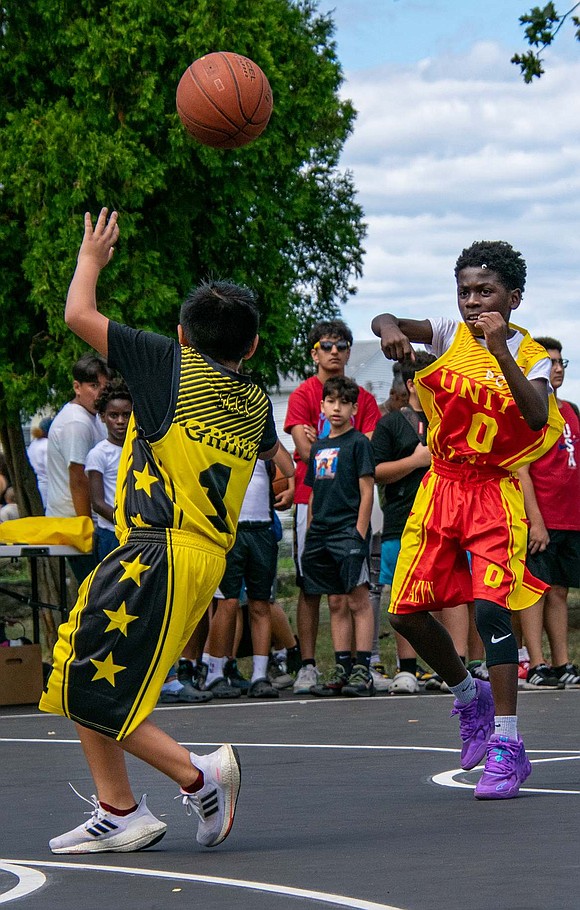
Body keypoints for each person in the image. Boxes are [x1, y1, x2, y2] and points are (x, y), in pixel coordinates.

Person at [39, 208, 278, 853]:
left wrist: (91, 259)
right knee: (72, 669)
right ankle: (118, 809)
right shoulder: (255, 402)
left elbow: (77, 317)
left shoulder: (166, 364)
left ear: (179, 333)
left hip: (159, 551)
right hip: (189, 555)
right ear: (251, 347)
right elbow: (278, 468)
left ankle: (199, 779)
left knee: (88, 686)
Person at [371, 240, 564, 799]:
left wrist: (499, 348)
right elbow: (386, 317)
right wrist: (389, 332)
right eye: (465, 291)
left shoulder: (530, 356)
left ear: (514, 297)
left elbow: (532, 418)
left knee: (489, 608)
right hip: (441, 487)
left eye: (487, 291)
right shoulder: (448, 333)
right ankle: (467, 696)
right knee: (404, 613)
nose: (473, 302)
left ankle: (509, 744)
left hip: (492, 492)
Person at [284, 320, 381, 693]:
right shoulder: (303, 394)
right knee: (313, 587)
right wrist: (320, 441)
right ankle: (309, 665)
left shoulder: (365, 399)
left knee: (355, 590)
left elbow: (363, 447)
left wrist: (320, 436)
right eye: (327, 345)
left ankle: (362, 665)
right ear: (315, 352)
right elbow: (306, 450)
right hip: (315, 504)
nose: (335, 351)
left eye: (341, 345)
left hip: (351, 509)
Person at [200, 445, 295, 699]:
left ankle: (259, 674)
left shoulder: (263, 440)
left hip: (261, 528)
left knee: (260, 604)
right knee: (227, 603)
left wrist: (291, 486)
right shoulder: (220, 438)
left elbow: (289, 468)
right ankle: (214, 672)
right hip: (231, 530)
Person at [301, 376, 376, 697]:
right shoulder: (318, 446)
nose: (337, 408)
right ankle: (343, 668)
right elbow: (315, 492)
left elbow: (367, 490)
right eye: (331, 401)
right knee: (334, 600)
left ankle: (364, 668)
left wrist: (359, 534)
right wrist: (310, 530)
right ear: (322, 406)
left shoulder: (358, 443)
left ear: (354, 408)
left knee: (357, 599)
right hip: (321, 533)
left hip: (348, 531)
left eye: (344, 402)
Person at [517, 338, 580, 688]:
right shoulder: (532, 411)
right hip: (542, 518)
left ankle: (562, 662)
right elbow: (522, 469)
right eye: (550, 362)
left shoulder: (570, 409)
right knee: (535, 589)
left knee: (559, 591)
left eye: (561, 362)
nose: (557, 368)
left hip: (571, 517)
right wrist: (535, 521)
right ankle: (537, 661)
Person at [46, 351, 111, 582]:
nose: (100, 392)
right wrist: (87, 529)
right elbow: (78, 478)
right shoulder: (77, 422)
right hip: (77, 524)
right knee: (96, 595)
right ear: (77, 387)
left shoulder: (91, 417)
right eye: (93, 385)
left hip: (85, 521)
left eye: (105, 386)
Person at [85, 379, 133, 562]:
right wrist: (126, 522)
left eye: (126, 415)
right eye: (114, 415)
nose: (120, 421)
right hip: (111, 535)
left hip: (136, 535)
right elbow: (97, 502)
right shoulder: (98, 454)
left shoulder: (139, 450)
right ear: (103, 417)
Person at [27, 416, 53, 508]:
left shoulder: (33, 444)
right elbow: (50, 469)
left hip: (35, 486)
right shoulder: (47, 445)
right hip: (46, 488)